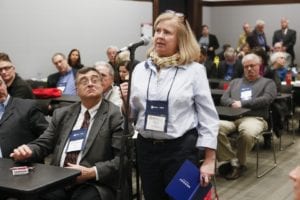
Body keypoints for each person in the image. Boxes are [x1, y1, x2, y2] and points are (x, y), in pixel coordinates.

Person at [120, 10, 219, 199]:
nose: (160, 36)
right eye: (157, 31)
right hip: (146, 148)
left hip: (179, 149)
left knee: (181, 198)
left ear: (180, 39)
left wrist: (209, 160)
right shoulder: (140, 69)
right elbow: (132, 116)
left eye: (167, 32)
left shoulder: (194, 71)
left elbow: (208, 118)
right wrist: (125, 103)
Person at [10, 67, 124, 200]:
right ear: (76, 89)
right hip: (59, 178)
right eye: (84, 81)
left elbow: (123, 158)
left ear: (101, 84)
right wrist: (29, 150)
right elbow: (45, 142)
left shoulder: (115, 115)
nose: (90, 83)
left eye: (95, 80)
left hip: (93, 182)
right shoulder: (63, 114)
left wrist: (93, 172)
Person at [217, 53, 277, 180]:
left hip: (255, 118)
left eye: (252, 66)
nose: (249, 69)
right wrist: (232, 103)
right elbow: (224, 98)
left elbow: (267, 99)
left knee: (247, 132)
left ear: (259, 66)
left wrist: (242, 103)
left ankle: (239, 163)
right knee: (213, 127)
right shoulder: (235, 82)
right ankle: (232, 160)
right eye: (246, 66)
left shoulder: (268, 82)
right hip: (233, 119)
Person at [0, 75, 48, 159]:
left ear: (5, 84)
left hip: (20, 166)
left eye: (0, 84)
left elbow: (48, 138)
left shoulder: (27, 106)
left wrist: (31, 151)